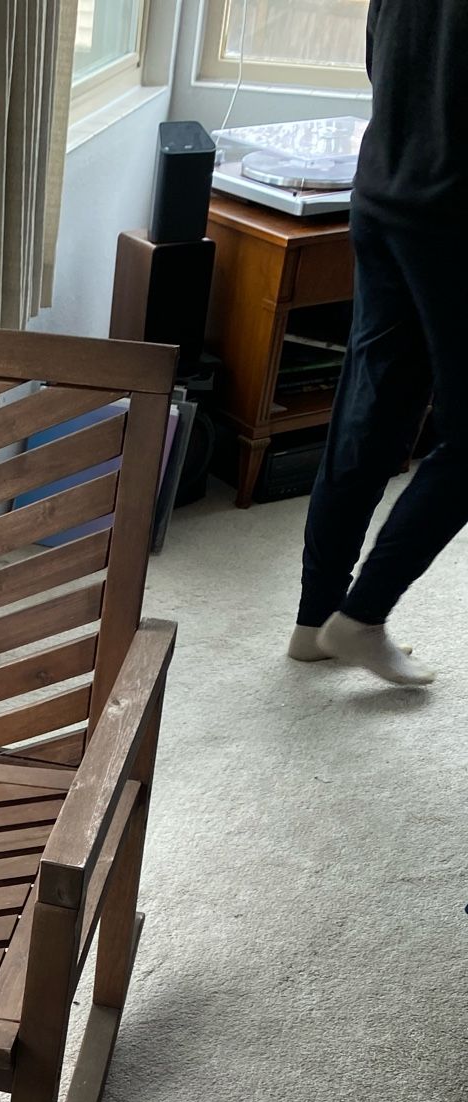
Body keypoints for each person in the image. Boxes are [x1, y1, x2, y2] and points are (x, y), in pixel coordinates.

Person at [288, 0, 468, 687]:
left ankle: (315, 619)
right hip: (457, 215)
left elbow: (379, 57)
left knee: (373, 410)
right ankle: (361, 618)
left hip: (386, 192)